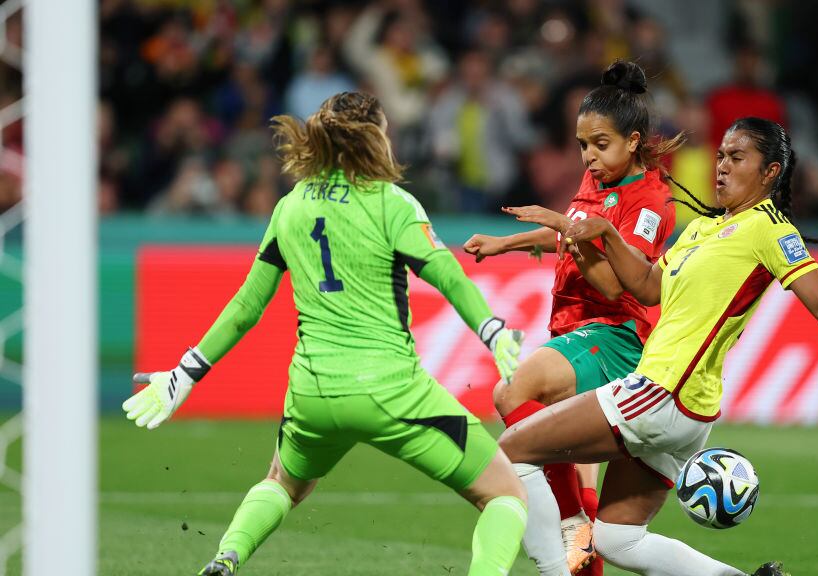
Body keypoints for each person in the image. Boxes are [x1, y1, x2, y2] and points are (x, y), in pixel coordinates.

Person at [122, 91, 529, 576]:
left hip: (312, 394)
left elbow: (246, 307)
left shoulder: (290, 205)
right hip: (389, 391)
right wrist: (493, 330)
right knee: (505, 493)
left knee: (282, 482)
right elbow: (446, 273)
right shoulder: (392, 204)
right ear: (376, 138)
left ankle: (226, 558)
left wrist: (186, 372)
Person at [497, 117, 818, 576]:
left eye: (737, 157)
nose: (722, 166)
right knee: (617, 538)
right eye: (722, 155)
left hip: (659, 394)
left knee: (511, 451)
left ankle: (554, 572)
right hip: (688, 410)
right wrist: (605, 233)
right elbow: (646, 287)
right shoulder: (703, 227)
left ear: (769, 173)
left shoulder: (769, 229)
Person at [463, 60, 680, 575]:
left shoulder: (650, 202)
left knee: (513, 393)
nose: (589, 156)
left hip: (617, 336)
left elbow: (613, 284)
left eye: (599, 145)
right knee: (545, 426)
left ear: (633, 141)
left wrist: (565, 224)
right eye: (583, 145)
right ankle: (579, 524)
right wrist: (507, 243)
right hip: (574, 331)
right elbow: (572, 231)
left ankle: (569, 518)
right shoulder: (595, 176)